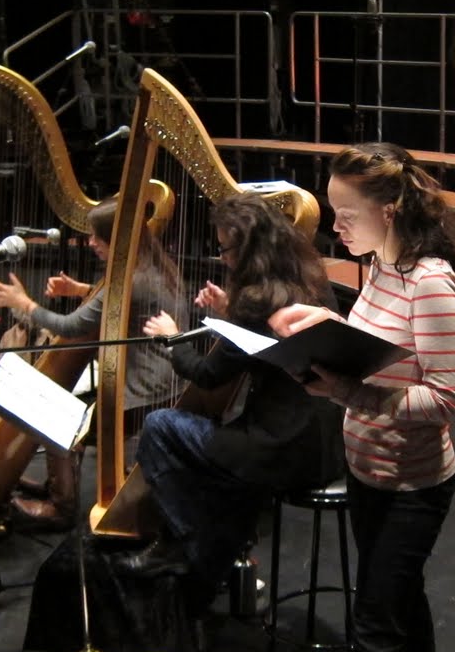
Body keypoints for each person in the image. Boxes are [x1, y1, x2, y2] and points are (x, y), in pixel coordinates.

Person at [268, 141, 455, 652]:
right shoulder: (382, 269)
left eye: (346, 213)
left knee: (379, 629)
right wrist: (320, 323)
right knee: (402, 612)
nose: (336, 227)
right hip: (368, 471)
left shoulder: (431, 283)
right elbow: (378, 349)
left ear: (388, 210)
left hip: (414, 487)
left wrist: (346, 395)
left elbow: (443, 400)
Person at [124, 190, 346, 616]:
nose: (222, 257)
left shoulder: (258, 298)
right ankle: (215, 540)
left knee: (159, 427)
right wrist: (229, 315)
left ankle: (191, 546)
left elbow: (209, 376)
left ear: (246, 249)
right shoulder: (310, 282)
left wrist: (170, 339)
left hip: (279, 447)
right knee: (211, 444)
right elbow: (260, 345)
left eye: (224, 248)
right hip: (323, 446)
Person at [0, 198, 180, 526]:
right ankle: (55, 487)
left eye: (97, 238)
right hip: (164, 378)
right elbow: (128, 303)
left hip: (143, 388)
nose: (90, 243)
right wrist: (82, 289)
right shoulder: (151, 265)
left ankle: (60, 509)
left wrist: (24, 303)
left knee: (59, 427)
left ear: (115, 240)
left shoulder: (128, 279)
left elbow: (70, 326)